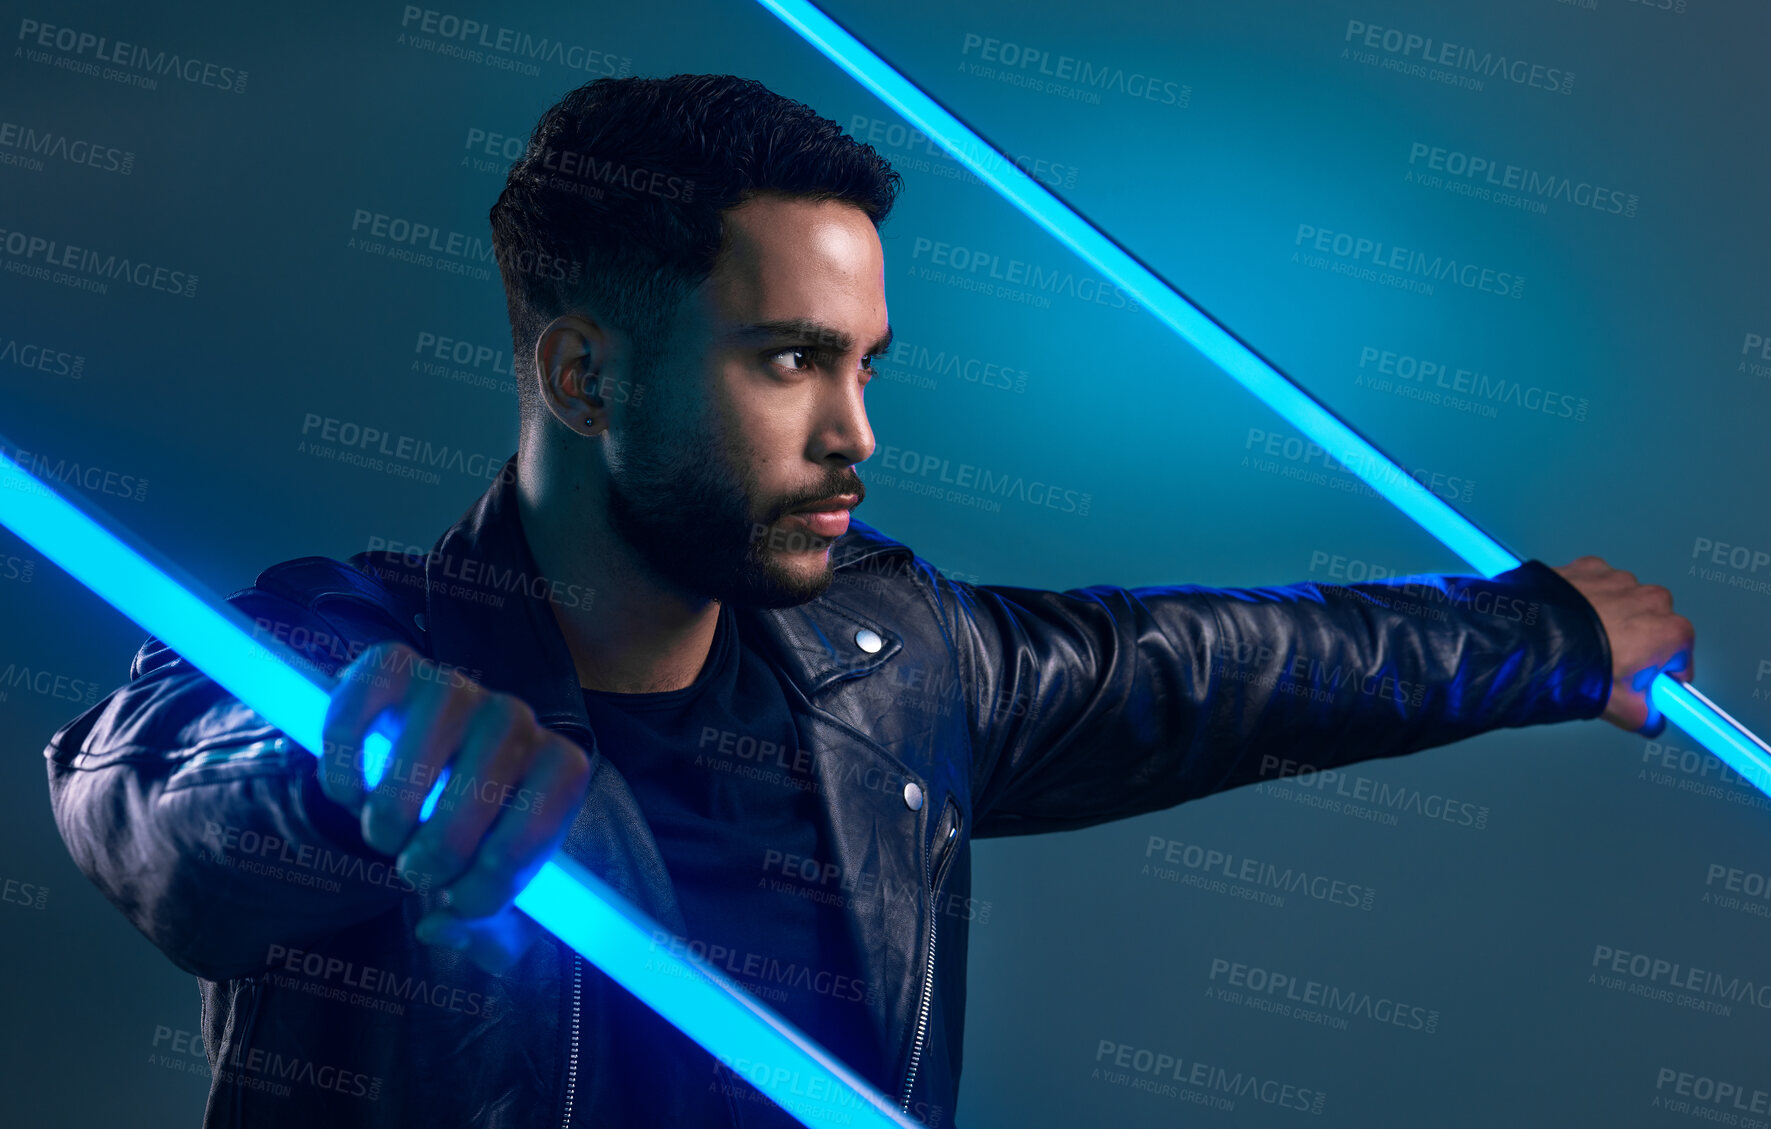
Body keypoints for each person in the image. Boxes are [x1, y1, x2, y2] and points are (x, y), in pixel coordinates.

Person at [45, 73, 1693, 1129]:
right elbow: (147, 796)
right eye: (787, 361)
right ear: (583, 371)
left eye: (860, 363)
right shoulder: (351, 649)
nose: (855, 435)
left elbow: (1212, 667)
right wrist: (356, 777)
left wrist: (1541, 638)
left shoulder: (888, 661)